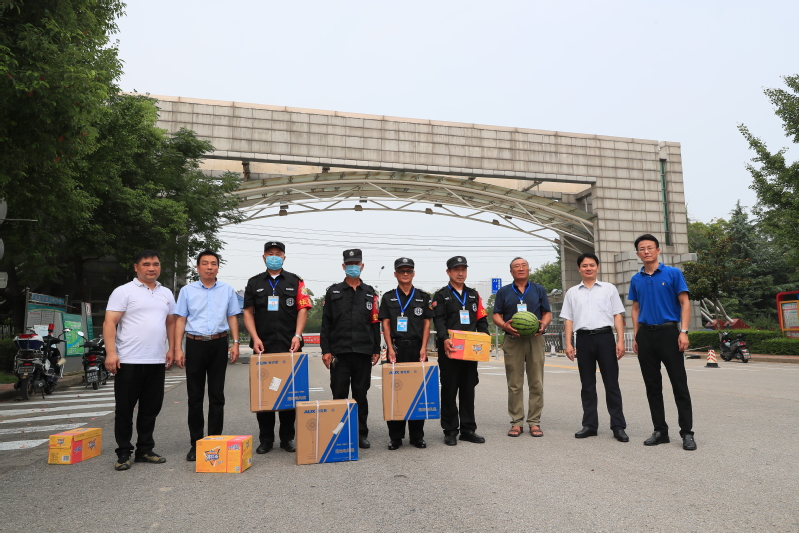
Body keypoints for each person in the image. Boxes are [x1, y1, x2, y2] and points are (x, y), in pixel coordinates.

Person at [103, 250, 177, 471]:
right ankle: (124, 452)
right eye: (146, 264)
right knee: (125, 409)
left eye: (156, 264)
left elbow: (171, 323)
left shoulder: (166, 293)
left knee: (150, 408)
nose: (152, 268)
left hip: (155, 360)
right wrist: (111, 353)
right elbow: (109, 322)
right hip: (128, 360)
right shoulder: (123, 291)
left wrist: (172, 348)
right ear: (136, 267)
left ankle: (145, 449)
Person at [243, 241, 312, 455]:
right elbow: (248, 312)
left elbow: (303, 309)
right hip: (262, 346)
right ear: (264, 257)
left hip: (289, 345)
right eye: (270, 253)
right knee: (264, 392)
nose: (274, 257)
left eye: (278, 254)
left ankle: (287, 438)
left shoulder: (296, 281)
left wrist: (298, 335)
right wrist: (254, 338)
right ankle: (266, 439)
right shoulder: (254, 282)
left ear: (284, 257)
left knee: (290, 393)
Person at [628, 234, 696, 451]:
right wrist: (636, 336)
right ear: (638, 254)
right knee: (652, 386)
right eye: (642, 249)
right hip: (645, 336)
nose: (646, 251)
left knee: (679, 384)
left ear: (658, 250)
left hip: (669, 333)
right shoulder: (636, 279)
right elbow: (635, 309)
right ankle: (660, 431)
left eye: (650, 247)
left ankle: (687, 432)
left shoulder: (673, 273)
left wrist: (683, 332)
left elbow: (685, 303)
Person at [174, 250, 241, 462]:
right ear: (198, 267)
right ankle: (196, 443)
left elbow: (232, 317)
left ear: (218, 267)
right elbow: (180, 320)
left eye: (213, 263)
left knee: (217, 395)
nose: (209, 267)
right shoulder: (187, 291)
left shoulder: (227, 290)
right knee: (195, 397)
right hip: (194, 344)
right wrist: (178, 348)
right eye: (205, 263)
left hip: (219, 343)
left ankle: (214, 440)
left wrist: (235, 343)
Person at [561, 253, 628, 442]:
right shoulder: (572, 292)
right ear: (579, 269)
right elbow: (569, 319)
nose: (588, 268)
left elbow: (617, 315)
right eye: (584, 265)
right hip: (583, 339)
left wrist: (620, 340)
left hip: (605, 338)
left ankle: (618, 426)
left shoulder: (609, 289)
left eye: (591, 265)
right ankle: (590, 425)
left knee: (611, 383)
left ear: (597, 267)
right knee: (587, 385)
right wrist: (568, 343)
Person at [320, 249, 380, 449]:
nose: (353, 267)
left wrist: (376, 349)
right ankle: (340, 432)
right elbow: (326, 323)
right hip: (340, 352)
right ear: (343, 266)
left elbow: (375, 323)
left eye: (356, 264)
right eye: (350, 264)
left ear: (362, 266)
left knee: (360, 394)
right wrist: (326, 350)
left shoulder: (370, 293)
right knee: (339, 393)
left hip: (363, 351)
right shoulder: (334, 292)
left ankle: (361, 433)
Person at [432, 256, 489, 446]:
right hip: (450, 350)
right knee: (449, 390)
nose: (460, 273)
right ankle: (450, 430)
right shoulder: (441, 295)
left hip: (470, 351)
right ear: (448, 272)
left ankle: (468, 429)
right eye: (456, 269)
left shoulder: (473, 295)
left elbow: (481, 319)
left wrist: (484, 337)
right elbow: (439, 320)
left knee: (468, 389)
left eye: (463, 269)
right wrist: (444, 339)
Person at [492, 257, 552, 438]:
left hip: (535, 339)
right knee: (514, 384)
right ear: (511, 271)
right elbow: (496, 314)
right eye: (516, 266)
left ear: (528, 269)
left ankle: (534, 422)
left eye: (524, 265)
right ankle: (516, 422)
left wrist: (543, 325)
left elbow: (547, 313)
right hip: (513, 340)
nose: (521, 268)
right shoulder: (503, 291)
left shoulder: (539, 290)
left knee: (536, 382)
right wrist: (504, 325)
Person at [378, 257, 434, 450]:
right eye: (401, 271)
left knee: (418, 392)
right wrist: (390, 347)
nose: (405, 273)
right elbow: (385, 323)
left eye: (408, 270)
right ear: (395, 274)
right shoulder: (388, 297)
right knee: (395, 392)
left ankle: (417, 436)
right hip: (396, 349)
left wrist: (424, 348)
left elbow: (426, 323)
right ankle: (396, 437)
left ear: (413, 273)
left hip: (417, 349)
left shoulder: (423, 297)